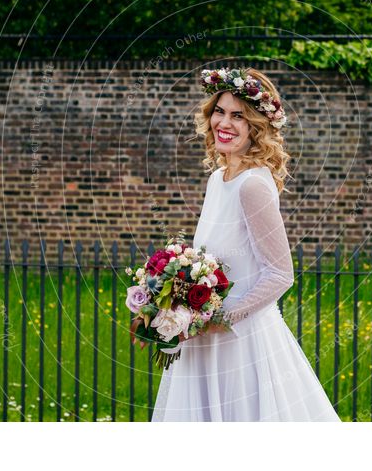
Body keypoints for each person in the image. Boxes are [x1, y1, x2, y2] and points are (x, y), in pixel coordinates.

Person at [145, 66, 341, 422]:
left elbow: (281, 274)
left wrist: (218, 318)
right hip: (203, 343)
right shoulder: (219, 179)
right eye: (220, 111)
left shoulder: (252, 186)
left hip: (240, 344)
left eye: (238, 115)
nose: (225, 122)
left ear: (256, 127)